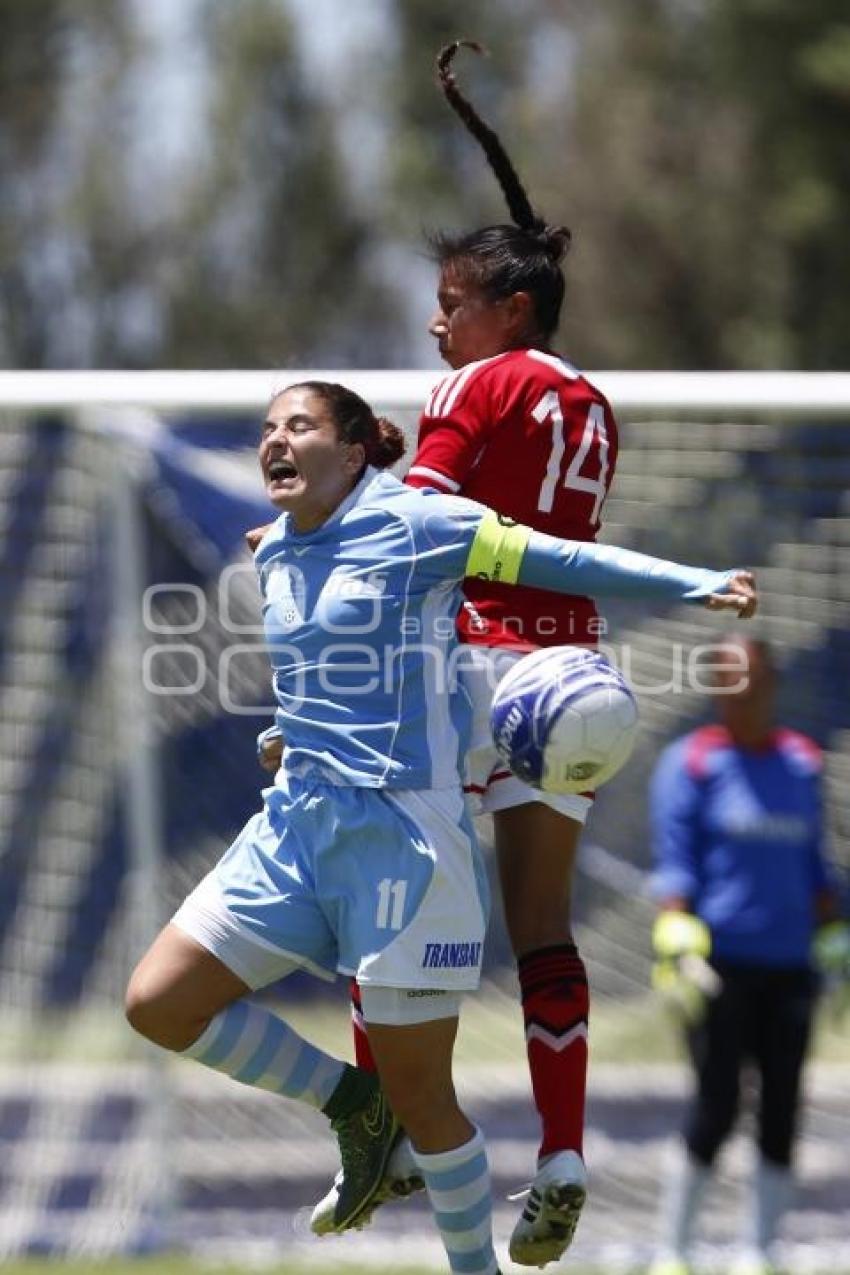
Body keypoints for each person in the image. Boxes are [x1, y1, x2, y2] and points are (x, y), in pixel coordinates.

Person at [126, 379, 756, 1275]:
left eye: (298, 426)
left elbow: (561, 560)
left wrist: (696, 581)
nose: (274, 441)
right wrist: (284, 733)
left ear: (352, 454)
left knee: (427, 1100)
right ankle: (352, 1103)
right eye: (267, 428)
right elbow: (324, 676)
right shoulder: (272, 553)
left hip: (404, 844)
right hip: (294, 831)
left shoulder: (420, 523)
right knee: (158, 1001)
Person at [307, 39, 626, 1267]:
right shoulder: (587, 398)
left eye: (450, 303)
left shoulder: (477, 387)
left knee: (367, 905)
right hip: (583, 677)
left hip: (482, 677)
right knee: (545, 930)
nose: (436, 322)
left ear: (510, 310)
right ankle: (561, 1154)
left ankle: (386, 1131)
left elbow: (423, 527)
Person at [647, 637, 850, 1275]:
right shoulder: (692, 764)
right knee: (717, 1101)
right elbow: (675, 867)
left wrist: (834, 929)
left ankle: (760, 1254)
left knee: (785, 1103)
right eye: (731, 682)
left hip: (790, 965)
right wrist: (675, 939)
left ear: (771, 684)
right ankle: (674, 1252)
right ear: (715, 688)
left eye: (755, 681)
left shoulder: (802, 763)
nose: (745, 694)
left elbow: (814, 862)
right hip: (721, 967)